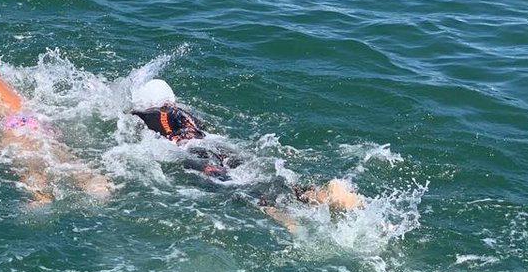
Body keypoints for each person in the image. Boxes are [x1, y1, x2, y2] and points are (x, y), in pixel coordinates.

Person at [130, 78, 364, 233]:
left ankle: (281, 216)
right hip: (219, 145)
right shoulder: (184, 112)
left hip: (191, 151)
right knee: (251, 172)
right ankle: (319, 194)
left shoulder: (145, 116)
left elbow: (133, 129)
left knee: (234, 186)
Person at [0, 51, 110, 204]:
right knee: (56, 157)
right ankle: (95, 183)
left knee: (24, 164)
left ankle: (41, 198)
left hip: (16, 123)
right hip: (31, 121)